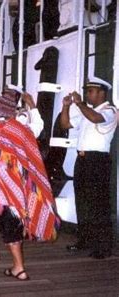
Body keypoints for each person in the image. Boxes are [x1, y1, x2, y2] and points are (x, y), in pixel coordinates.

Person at [0, 90, 60, 280]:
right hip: (18, 187)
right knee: (12, 222)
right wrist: (32, 105)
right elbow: (35, 136)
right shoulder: (20, 129)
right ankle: (19, 268)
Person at [60, 77, 117, 259]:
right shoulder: (87, 111)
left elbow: (96, 118)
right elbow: (65, 124)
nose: (87, 95)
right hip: (82, 160)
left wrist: (80, 103)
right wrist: (67, 106)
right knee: (82, 201)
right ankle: (85, 240)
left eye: (90, 91)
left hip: (97, 161)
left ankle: (103, 247)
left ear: (101, 92)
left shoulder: (110, 110)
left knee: (98, 204)